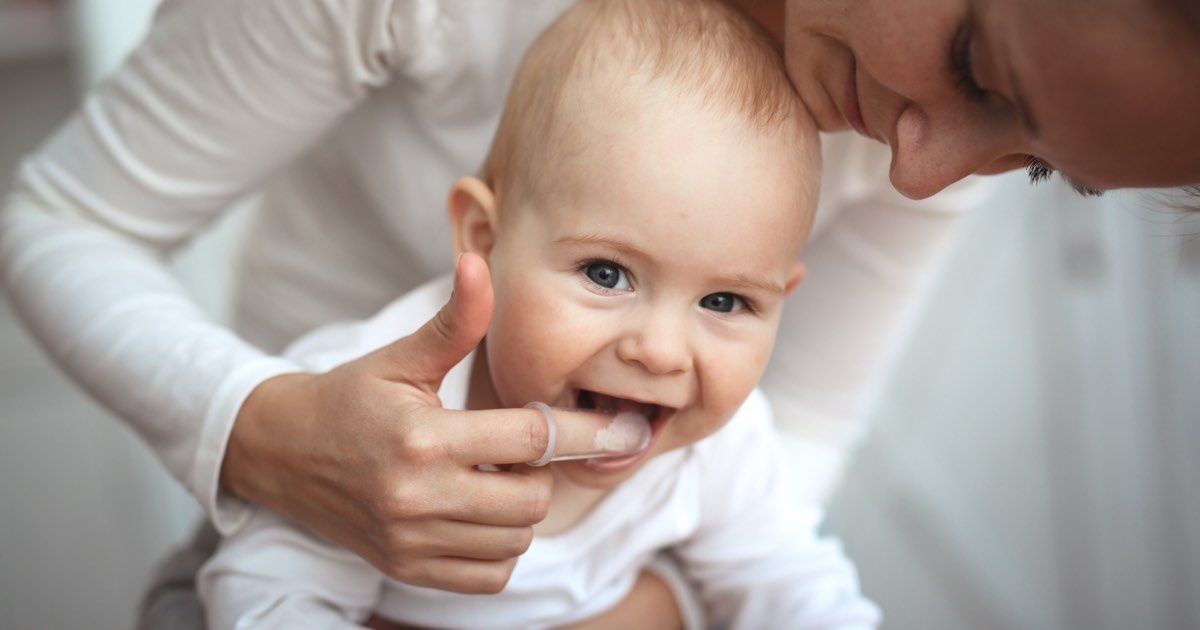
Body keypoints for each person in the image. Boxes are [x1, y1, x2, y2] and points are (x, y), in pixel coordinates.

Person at [1, 0, 1192, 624]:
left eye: (1038, 162)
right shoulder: (363, 369)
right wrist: (263, 431)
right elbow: (60, 220)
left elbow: (789, 539)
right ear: (478, 234)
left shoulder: (715, 442)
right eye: (978, 62)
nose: (926, 177)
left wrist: (651, 613)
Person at [197, 5, 881, 626]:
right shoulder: (370, 416)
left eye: (725, 302)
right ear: (484, 240)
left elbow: (791, 584)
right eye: (607, 274)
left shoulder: (720, 449)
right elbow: (263, 600)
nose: (663, 352)